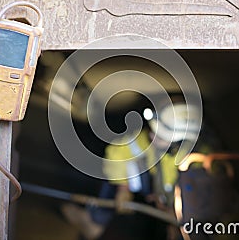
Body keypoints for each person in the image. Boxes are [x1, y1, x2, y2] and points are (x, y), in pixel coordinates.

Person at [61, 99, 201, 240]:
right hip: (159, 197)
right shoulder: (151, 142)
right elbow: (117, 152)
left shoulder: (199, 165)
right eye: (154, 131)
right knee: (126, 168)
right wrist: (123, 188)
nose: (152, 136)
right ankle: (95, 220)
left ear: (180, 142)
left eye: (160, 136)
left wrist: (177, 217)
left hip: (182, 213)